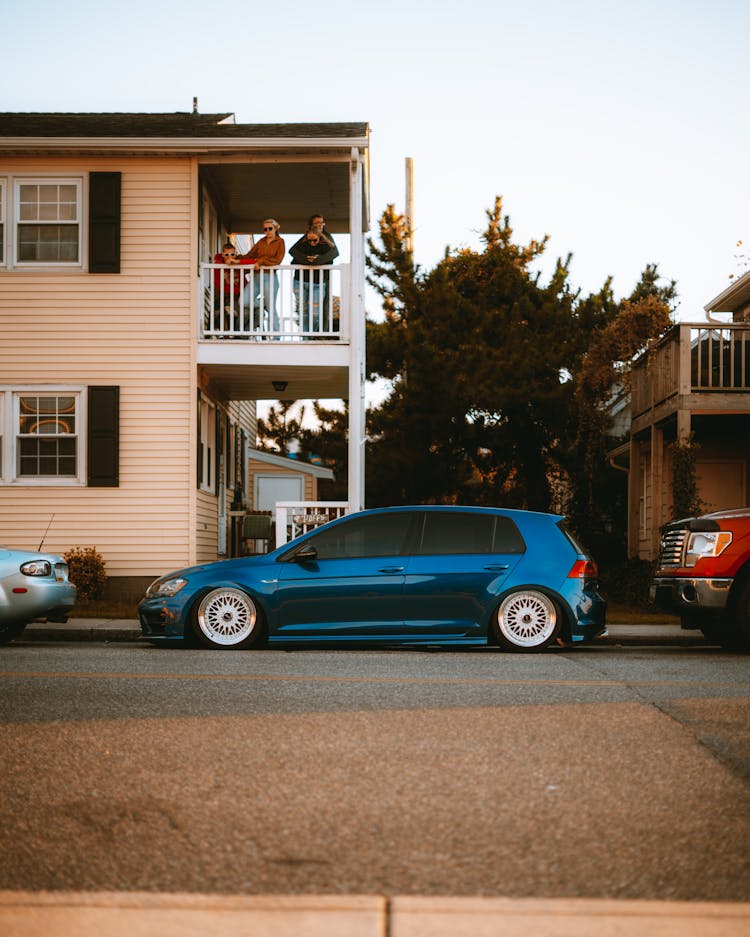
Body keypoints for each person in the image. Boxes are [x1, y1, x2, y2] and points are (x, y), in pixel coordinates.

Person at [290, 225, 338, 333]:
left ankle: (311, 334)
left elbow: (331, 259)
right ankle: (306, 338)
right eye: (309, 240)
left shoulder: (326, 246)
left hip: (318, 284)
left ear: (320, 237)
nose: (312, 243)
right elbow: (293, 260)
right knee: (303, 312)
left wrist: (317, 260)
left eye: (314, 240)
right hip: (300, 281)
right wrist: (307, 260)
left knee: (315, 314)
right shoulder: (302, 245)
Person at [241, 219, 285, 334]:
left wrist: (261, 262)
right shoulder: (261, 242)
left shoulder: (280, 242)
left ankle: (275, 336)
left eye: (270, 228)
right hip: (256, 277)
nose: (267, 231)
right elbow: (249, 255)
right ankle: (263, 303)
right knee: (243, 301)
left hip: (269, 277)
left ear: (275, 229)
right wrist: (234, 258)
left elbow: (277, 261)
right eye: (265, 229)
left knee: (271, 309)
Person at [212, 242, 253, 332]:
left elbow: (254, 262)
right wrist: (237, 291)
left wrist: (237, 262)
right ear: (223, 255)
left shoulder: (238, 265)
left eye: (232, 254)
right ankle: (239, 335)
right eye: (226, 254)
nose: (229, 257)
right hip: (228, 299)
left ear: (235, 255)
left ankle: (244, 337)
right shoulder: (218, 267)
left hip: (241, 297)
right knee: (246, 313)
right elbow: (220, 287)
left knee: (257, 313)